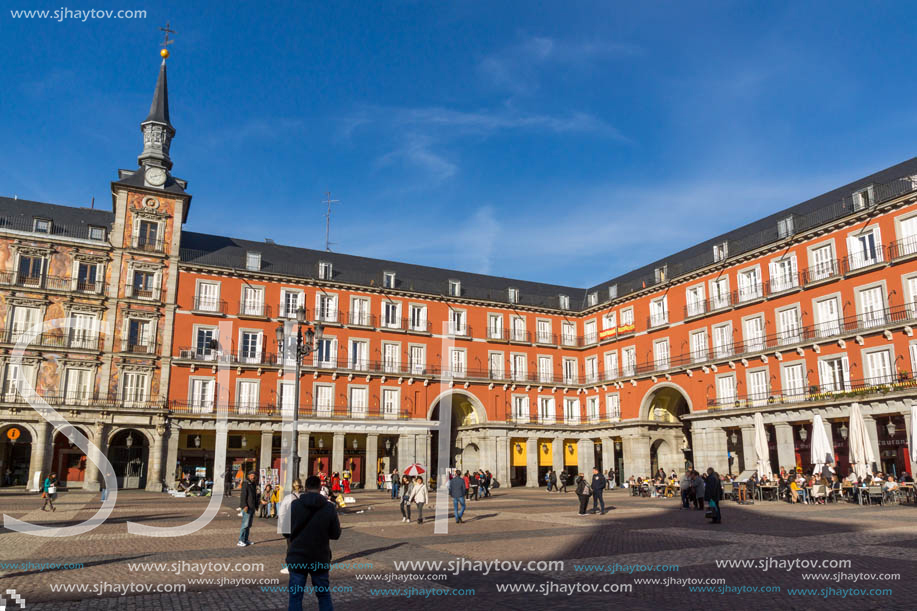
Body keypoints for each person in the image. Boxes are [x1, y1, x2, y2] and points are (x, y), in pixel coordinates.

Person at [286, 475, 341, 611]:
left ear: (305, 488)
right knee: (323, 595)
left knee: (296, 596)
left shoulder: (295, 505)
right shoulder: (329, 507)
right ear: (320, 488)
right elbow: (336, 534)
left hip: (298, 557)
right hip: (320, 557)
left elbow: (285, 532)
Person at [277, 478, 303, 575]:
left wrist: (283, 525)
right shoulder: (304, 496)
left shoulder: (288, 498)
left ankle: (290, 566)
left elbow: (282, 513)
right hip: (302, 525)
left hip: (291, 526)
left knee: (291, 547)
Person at [238, 471, 258, 546]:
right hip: (247, 507)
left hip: (252, 507)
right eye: (252, 475)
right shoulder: (246, 484)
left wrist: (256, 506)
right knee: (245, 525)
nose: (253, 477)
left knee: (249, 525)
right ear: (248, 476)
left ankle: (245, 539)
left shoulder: (253, 484)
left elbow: (254, 496)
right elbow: (243, 495)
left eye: (254, 475)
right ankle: (240, 540)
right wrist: (244, 505)